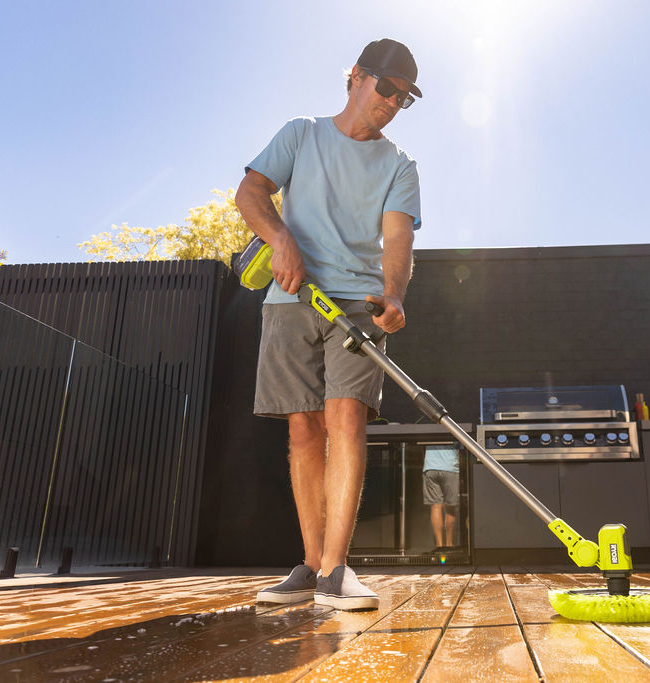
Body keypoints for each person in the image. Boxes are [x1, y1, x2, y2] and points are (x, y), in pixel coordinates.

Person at [235, 38, 423, 611]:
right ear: (357, 77)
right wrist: (281, 239)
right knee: (303, 428)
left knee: (346, 418)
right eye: (386, 87)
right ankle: (312, 564)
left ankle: (338, 570)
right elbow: (251, 191)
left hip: (358, 306)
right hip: (291, 298)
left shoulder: (400, 165)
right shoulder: (302, 134)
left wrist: (394, 295)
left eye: (404, 97)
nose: (392, 102)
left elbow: (398, 238)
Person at [422, 444, 460, 550]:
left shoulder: (429, 431)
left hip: (430, 467)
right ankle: (449, 544)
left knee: (436, 506)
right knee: (450, 507)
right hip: (450, 468)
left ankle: (439, 545)